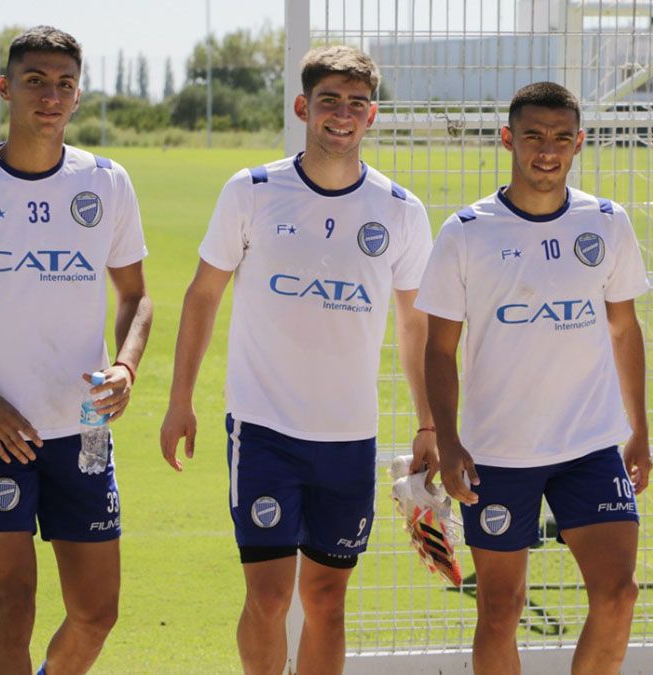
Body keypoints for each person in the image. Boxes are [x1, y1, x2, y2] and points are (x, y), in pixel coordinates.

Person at [159, 45, 436, 675]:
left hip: (347, 438)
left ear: (372, 116)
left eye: (357, 104)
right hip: (264, 431)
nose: (343, 115)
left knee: (327, 601)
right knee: (269, 596)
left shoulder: (400, 211)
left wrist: (429, 425)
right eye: (329, 101)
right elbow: (203, 295)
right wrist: (180, 401)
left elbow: (415, 325)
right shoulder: (252, 191)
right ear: (302, 106)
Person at [0, 26, 152, 675]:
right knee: (11, 605)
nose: (51, 96)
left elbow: (136, 298)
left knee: (97, 611)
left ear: (77, 96)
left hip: (88, 425)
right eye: (36, 81)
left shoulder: (107, 182)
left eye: (64, 84)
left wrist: (126, 365)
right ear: (6, 87)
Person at [418, 81, 651, 675]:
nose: (546, 151)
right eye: (532, 137)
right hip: (498, 453)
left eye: (560, 138)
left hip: (589, 447)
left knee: (619, 594)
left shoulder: (607, 222)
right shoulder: (467, 231)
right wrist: (448, 442)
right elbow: (439, 349)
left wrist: (639, 432)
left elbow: (624, 331)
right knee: (500, 607)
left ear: (578, 144)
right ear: (507, 140)